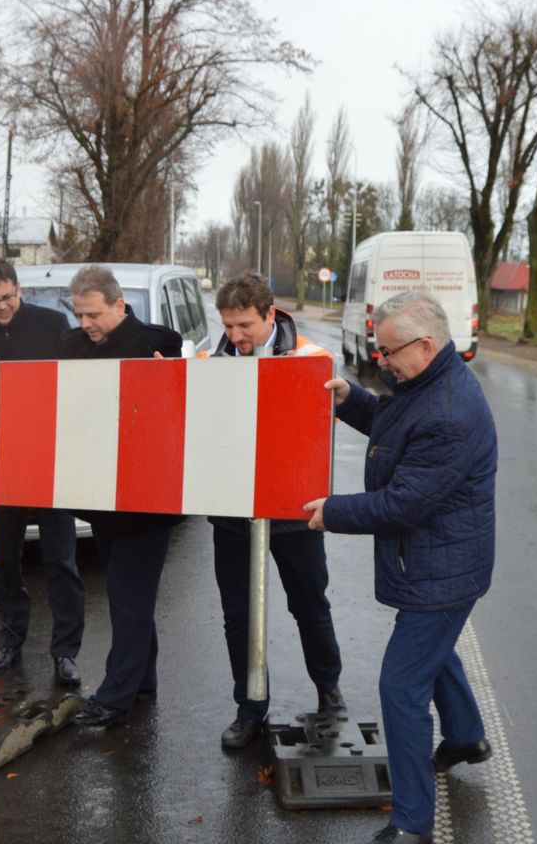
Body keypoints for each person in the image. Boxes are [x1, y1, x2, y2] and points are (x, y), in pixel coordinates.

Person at [304, 291, 497, 844]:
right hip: (440, 562)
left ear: (426, 344)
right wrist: (349, 398)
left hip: (443, 567)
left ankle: (413, 824)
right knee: (431, 653)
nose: (381, 360)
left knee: (401, 685)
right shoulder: (426, 384)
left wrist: (332, 512)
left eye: (388, 352)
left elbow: (404, 502)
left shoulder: (448, 413)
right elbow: (395, 427)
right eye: (378, 349)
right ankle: (465, 736)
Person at [202, 272, 345, 750]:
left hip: (293, 512)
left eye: (244, 325)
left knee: (309, 605)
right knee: (237, 616)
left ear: (269, 315)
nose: (235, 336)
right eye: (228, 326)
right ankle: (249, 707)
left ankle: (329, 690)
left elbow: (316, 436)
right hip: (233, 515)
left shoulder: (310, 359)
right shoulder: (211, 361)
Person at [57, 265, 183, 728]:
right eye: (79, 315)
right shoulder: (69, 346)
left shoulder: (160, 343)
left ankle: (115, 697)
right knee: (126, 595)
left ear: (119, 306)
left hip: (148, 498)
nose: (85, 324)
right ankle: (142, 679)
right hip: (100, 496)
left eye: (93, 315)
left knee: (129, 597)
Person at [0, 256, 85, 687]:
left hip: (52, 462)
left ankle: (65, 652)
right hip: (0, 466)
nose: (3, 306)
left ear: (18, 290)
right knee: (5, 562)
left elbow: (83, 378)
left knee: (61, 560)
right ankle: (10, 641)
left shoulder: (52, 325)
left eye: (8, 297)